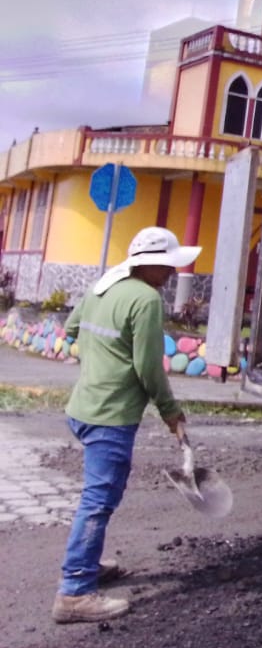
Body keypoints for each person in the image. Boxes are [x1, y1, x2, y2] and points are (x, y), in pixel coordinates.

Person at [52, 226, 200, 624]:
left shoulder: (104, 285)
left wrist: (100, 362)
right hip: (111, 418)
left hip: (82, 408)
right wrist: (170, 411)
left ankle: (86, 563)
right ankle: (74, 591)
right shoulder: (146, 299)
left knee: (98, 497)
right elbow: (148, 367)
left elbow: (71, 330)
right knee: (98, 501)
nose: (171, 272)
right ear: (147, 263)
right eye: (166, 264)